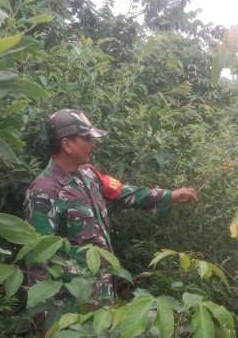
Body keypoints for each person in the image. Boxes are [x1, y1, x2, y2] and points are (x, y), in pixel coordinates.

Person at [24, 108, 198, 321]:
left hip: (104, 294)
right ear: (67, 144)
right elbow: (38, 262)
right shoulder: (44, 192)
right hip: (73, 305)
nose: (93, 144)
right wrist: (49, 317)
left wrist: (169, 196)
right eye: (87, 138)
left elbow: (122, 191)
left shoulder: (88, 174)